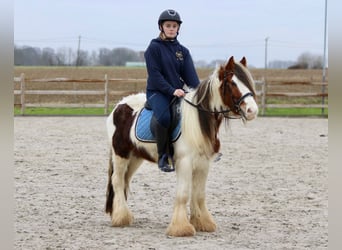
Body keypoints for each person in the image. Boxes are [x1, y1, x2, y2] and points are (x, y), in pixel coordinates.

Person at [144, 9, 200, 172]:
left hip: (177, 92)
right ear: (161, 27)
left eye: (174, 26)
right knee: (164, 117)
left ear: (178, 28)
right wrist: (172, 90)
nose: (171, 28)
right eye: (168, 25)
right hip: (157, 92)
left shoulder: (183, 51)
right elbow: (155, 76)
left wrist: (200, 93)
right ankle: (163, 156)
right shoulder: (153, 48)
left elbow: (192, 79)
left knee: (197, 113)